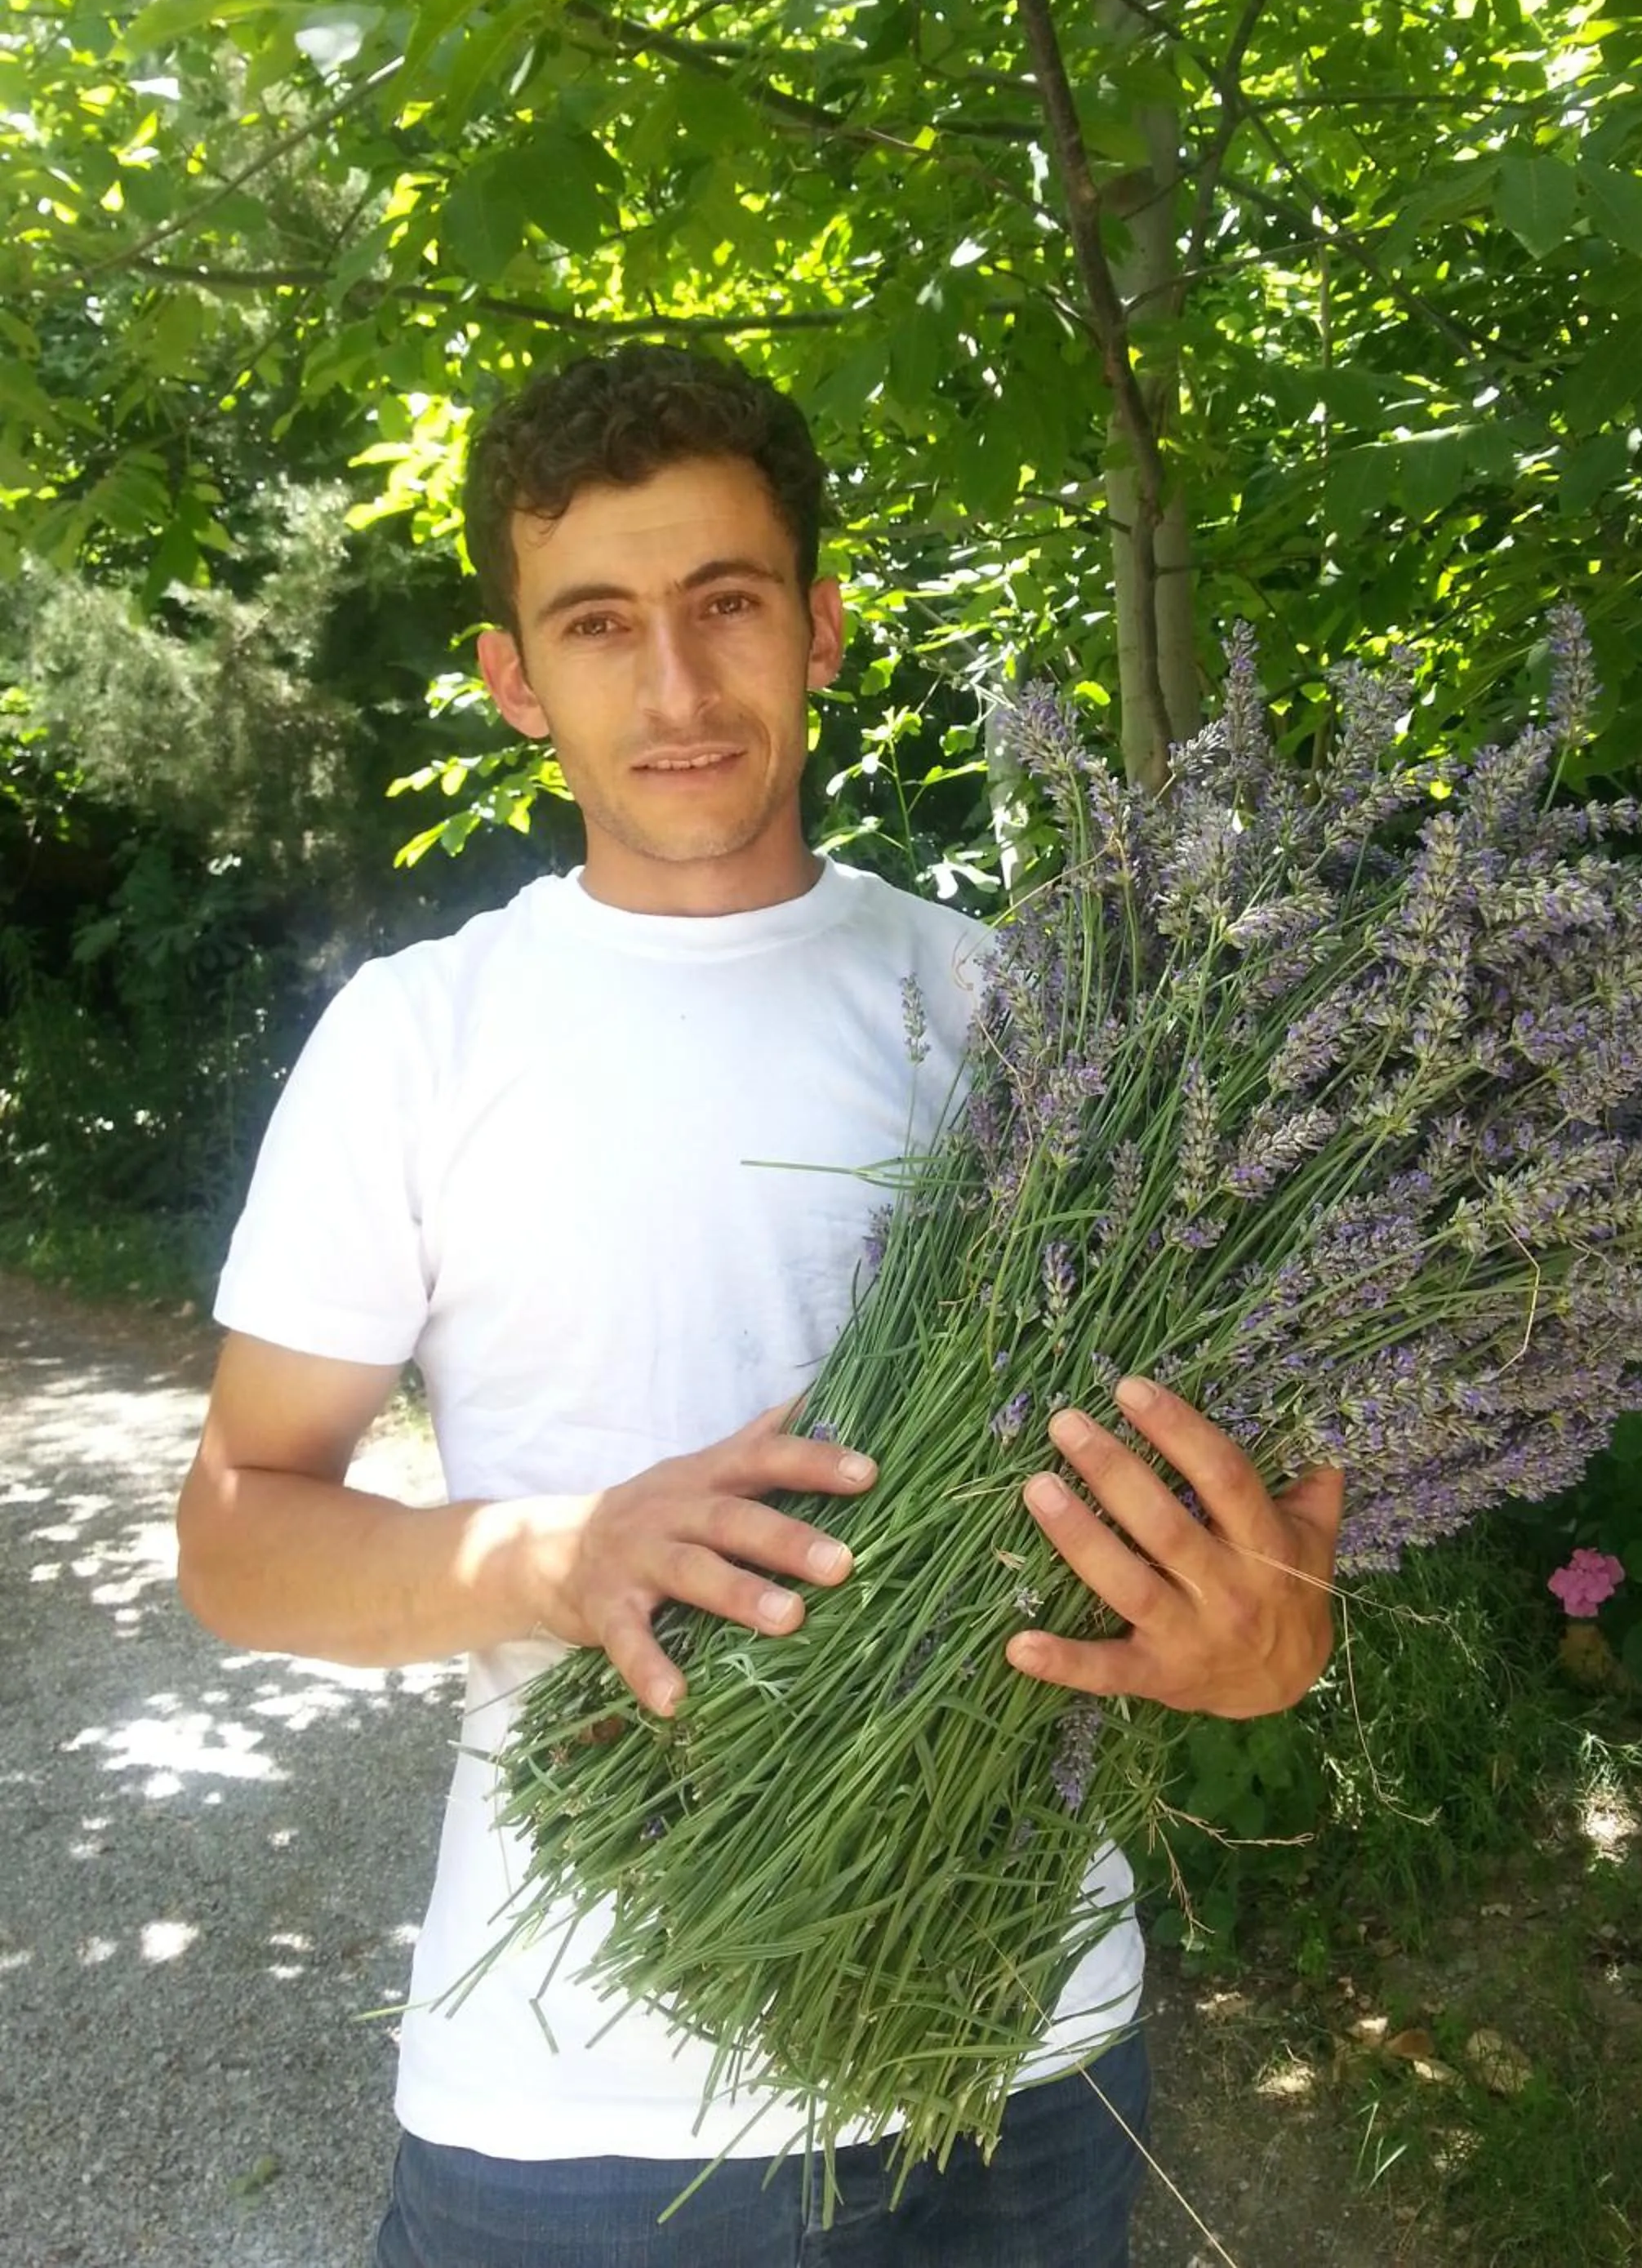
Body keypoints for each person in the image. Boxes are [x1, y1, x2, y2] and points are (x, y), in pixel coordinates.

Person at [176, 344, 1343, 2268]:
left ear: (820, 627)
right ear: (510, 678)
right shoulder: (419, 1039)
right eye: (599, 624)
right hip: (567, 2120)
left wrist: (1262, 1649)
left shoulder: (1044, 1024)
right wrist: (551, 1556)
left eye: (726, 606)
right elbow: (240, 1539)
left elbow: (1277, 1564)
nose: (677, 686)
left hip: (1023, 2066)